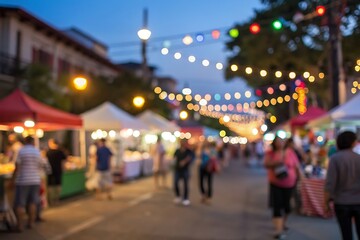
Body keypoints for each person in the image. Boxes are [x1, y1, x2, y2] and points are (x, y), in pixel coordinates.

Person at [264, 136, 302, 239]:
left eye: (281, 141)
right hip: (275, 183)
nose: (280, 143)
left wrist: (302, 179)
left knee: (287, 207)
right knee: (277, 206)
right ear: (274, 143)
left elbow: (297, 166)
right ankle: (278, 230)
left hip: (289, 184)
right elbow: (266, 164)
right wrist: (275, 163)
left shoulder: (290, 152)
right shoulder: (270, 153)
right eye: (278, 141)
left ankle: (282, 223)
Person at [324, 131, 360, 240]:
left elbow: (330, 183)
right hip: (358, 201)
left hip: (341, 202)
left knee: (346, 234)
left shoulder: (335, 159)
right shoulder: (358, 158)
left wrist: (325, 203)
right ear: (353, 143)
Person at [11, 136, 44, 231]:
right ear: (33, 142)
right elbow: (40, 165)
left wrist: (13, 180)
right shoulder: (37, 152)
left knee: (20, 204)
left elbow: (17, 166)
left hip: (23, 181)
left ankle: (20, 225)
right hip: (35, 180)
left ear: (25, 141)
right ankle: (31, 223)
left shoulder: (21, 151)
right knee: (32, 202)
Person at [46, 139, 67, 206]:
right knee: (58, 185)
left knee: (50, 185)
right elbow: (64, 160)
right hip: (58, 170)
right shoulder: (60, 151)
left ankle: (51, 200)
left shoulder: (48, 152)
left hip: (49, 171)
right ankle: (57, 199)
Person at [173, 140, 193, 206]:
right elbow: (174, 158)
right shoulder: (177, 150)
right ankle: (178, 196)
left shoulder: (188, 151)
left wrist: (184, 161)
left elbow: (191, 158)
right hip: (177, 169)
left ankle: (185, 198)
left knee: (185, 184)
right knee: (175, 183)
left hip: (185, 170)